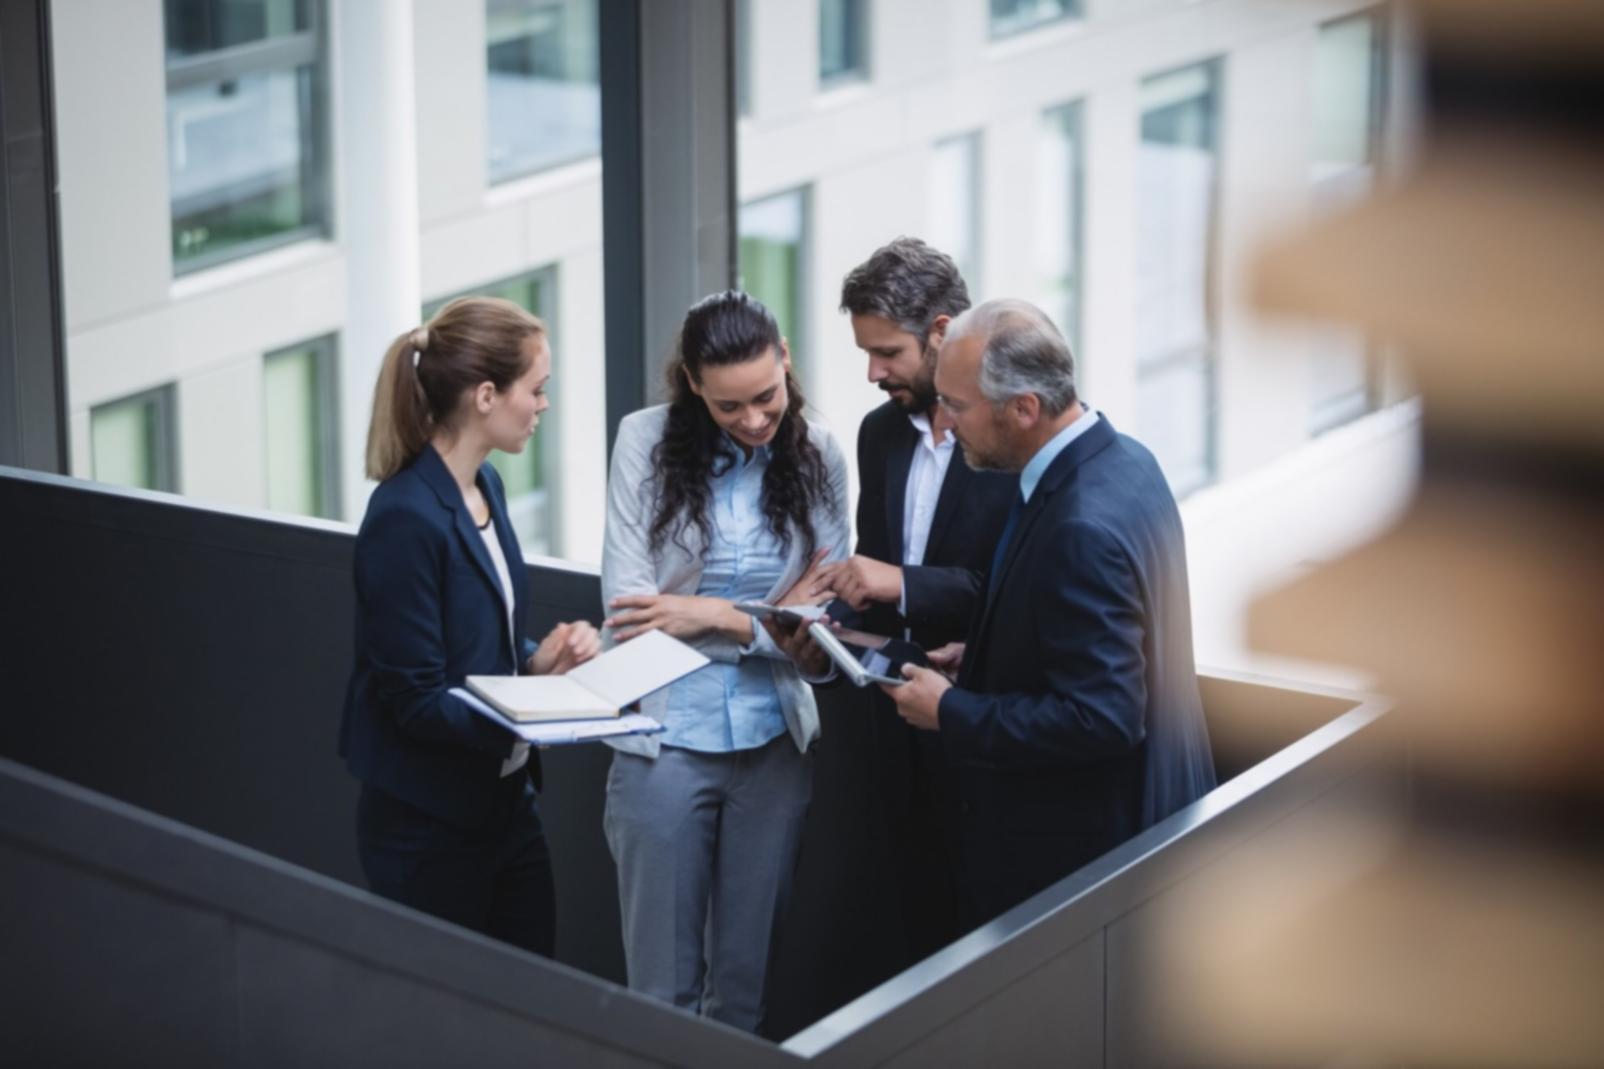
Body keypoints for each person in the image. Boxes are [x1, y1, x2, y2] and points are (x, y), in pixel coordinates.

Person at [881, 298, 1217, 927]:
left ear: (1024, 409)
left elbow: (1104, 716)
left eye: (956, 406)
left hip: (1086, 862)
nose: (947, 428)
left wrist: (953, 710)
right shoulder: (1128, 461)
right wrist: (982, 653)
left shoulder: (1080, 525)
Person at [599, 290, 850, 1033]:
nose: (751, 421)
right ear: (693, 388)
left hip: (775, 744)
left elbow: (825, 620)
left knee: (743, 996)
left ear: (787, 364)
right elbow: (631, 618)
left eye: (766, 398)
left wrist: (709, 613)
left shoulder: (822, 452)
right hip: (662, 744)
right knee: (661, 997)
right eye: (728, 406)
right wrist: (771, 620)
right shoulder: (642, 443)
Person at [339, 296, 601, 957]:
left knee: (533, 1000)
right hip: (429, 827)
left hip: (507, 805)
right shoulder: (403, 517)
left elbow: (487, 650)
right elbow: (416, 698)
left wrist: (543, 660)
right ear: (486, 395)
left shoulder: (485, 485)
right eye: (536, 390)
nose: (544, 405)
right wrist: (537, 712)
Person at [811, 237, 1019, 961]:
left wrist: (899, 581)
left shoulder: (1010, 435)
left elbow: (1012, 594)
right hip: (895, 737)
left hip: (986, 737)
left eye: (888, 353)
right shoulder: (879, 434)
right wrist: (822, 627)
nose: (873, 373)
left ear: (940, 333)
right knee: (911, 939)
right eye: (866, 353)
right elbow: (870, 583)